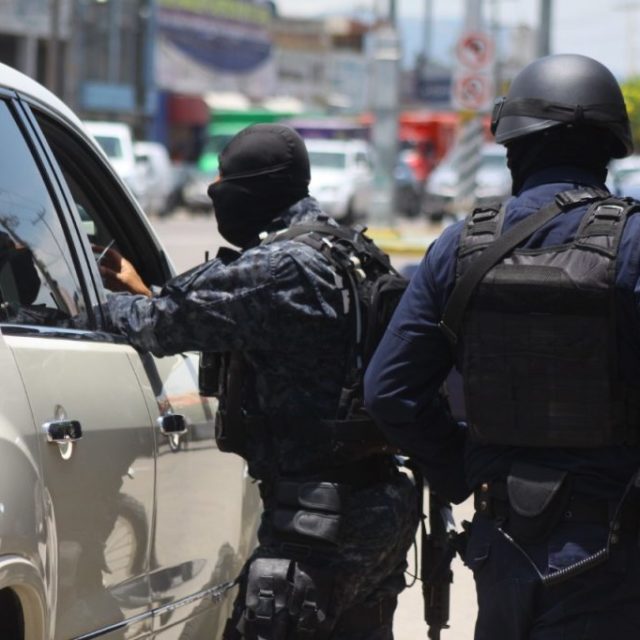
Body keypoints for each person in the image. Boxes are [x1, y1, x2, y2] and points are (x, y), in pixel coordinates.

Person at [99, 123, 419, 639]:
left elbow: (157, 326)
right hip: (380, 501)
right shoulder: (349, 250)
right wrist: (150, 293)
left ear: (252, 189)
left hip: (319, 522)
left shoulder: (278, 266)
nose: (214, 194)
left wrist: (84, 305)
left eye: (221, 184)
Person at [364, 53, 640, 639]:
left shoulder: (459, 246)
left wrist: (462, 469)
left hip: (502, 545)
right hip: (618, 550)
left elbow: (390, 392)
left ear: (514, 147)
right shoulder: (635, 241)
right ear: (611, 147)